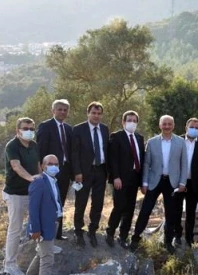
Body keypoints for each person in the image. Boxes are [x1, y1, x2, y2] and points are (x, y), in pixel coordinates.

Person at [132, 115, 188, 253]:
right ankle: (135, 238)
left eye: (169, 124)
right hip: (153, 181)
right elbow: (147, 163)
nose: (167, 126)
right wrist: (144, 182)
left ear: (173, 125)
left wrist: (182, 182)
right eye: (164, 124)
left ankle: (168, 242)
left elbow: (184, 164)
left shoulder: (181, 142)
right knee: (146, 210)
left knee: (171, 213)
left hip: (172, 182)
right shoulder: (152, 142)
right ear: (160, 125)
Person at [3, 117, 41, 275]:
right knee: (15, 229)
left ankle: (42, 250)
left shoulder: (34, 145)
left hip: (32, 192)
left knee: (39, 222)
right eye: (26, 128)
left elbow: (38, 165)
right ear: (18, 130)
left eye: (32, 129)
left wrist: (40, 180)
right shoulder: (12, 146)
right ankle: (9, 265)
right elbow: (16, 166)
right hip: (15, 193)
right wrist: (32, 178)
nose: (29, 131)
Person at [71, 102, 109, 248]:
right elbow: (74, 153)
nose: (96, 116)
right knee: (81, 201)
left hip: (100, 170)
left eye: (99, 113)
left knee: (98, 202)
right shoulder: (79, 129)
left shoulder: (105, 129)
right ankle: (78, 230)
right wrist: (77, 172)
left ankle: (92, 230)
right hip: (83, 172)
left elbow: (106, 149)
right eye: (93, 113)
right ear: (88, 113)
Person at [106, 110, 145, 248]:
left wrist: (142, 181)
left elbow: (142, 159)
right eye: (129, 120)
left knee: (130, 208)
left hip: (134, 178)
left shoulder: (139, 138)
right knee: (119, 206)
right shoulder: (116, 136)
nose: (132, 123)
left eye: (134, 121)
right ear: (123, 122)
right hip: (120, 178)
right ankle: (110, 232)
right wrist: (116, 176)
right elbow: (113, 158)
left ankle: (123, 236)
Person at [36, 99, 73, 241]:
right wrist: (41, 171)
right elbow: (40, 149)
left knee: (60, 202)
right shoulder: (46, 126)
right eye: (60, 109)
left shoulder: (69, 129)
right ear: (53, 111)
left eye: (65, 110)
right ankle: (46, 233)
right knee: (48, 202)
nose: (62, 112)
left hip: (64, 171)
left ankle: (57, 233)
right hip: (48, 171)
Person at [176, 118, 198, 246]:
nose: (194, 129)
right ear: (186, 128)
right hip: (179, 182)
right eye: (192, 127)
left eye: (196, 128)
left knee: (191, 212)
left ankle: (189, 240)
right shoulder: (177, 141)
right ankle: (177, 236)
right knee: (176, 210)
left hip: (195, 184)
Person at [26, 155, 61, 275]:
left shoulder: (53, 181)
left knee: (41, 254)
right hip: (42, 227)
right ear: (42, 166)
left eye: (56, 164)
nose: (54, 167)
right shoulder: (39, 182)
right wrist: (35, 228)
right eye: (50, 164)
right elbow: (33, 208)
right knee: (47, 259)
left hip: (52, 224)